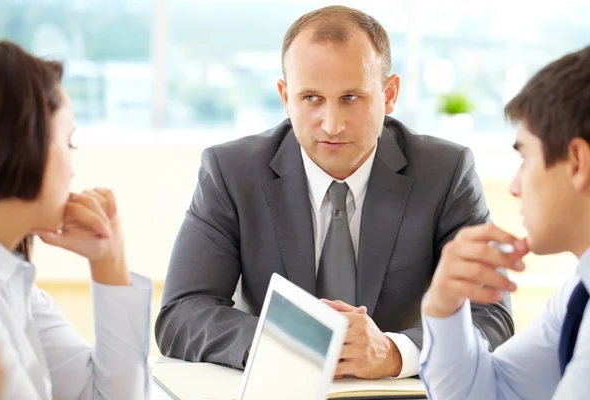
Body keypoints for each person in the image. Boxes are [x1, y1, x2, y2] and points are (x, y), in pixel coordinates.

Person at [155, 5, 513, 379]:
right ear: (285, 97)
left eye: (351, 98)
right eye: (311, 98)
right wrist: (291, 343)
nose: (332, 124)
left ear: (389, 94)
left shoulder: (445, 172)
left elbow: (491, 318)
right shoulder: (230, 171)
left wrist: (393, 352)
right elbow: (182, 312)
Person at [419, 45, 590, 399]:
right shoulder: (579, 297)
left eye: (525, 157)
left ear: (577, 163)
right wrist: (443, 309)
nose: (515, 187)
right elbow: (490, 391)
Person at [0, 38, 152, 399]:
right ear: (24, 143)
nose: (73, 169)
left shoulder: (13, 282)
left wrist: (110, 260)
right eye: (69, 142)